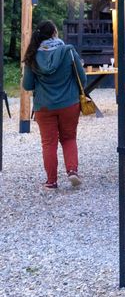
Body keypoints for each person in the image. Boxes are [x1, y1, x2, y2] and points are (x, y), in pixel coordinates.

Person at [23, 20, 85, 190]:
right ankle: (72, 171)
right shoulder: (68, 51)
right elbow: (83, 79)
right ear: (54, 33)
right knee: (69, 138)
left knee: (48, 143)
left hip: (44, 106)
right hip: (69, 104)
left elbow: (27, 85)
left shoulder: (32, 54)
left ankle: (51, 181)